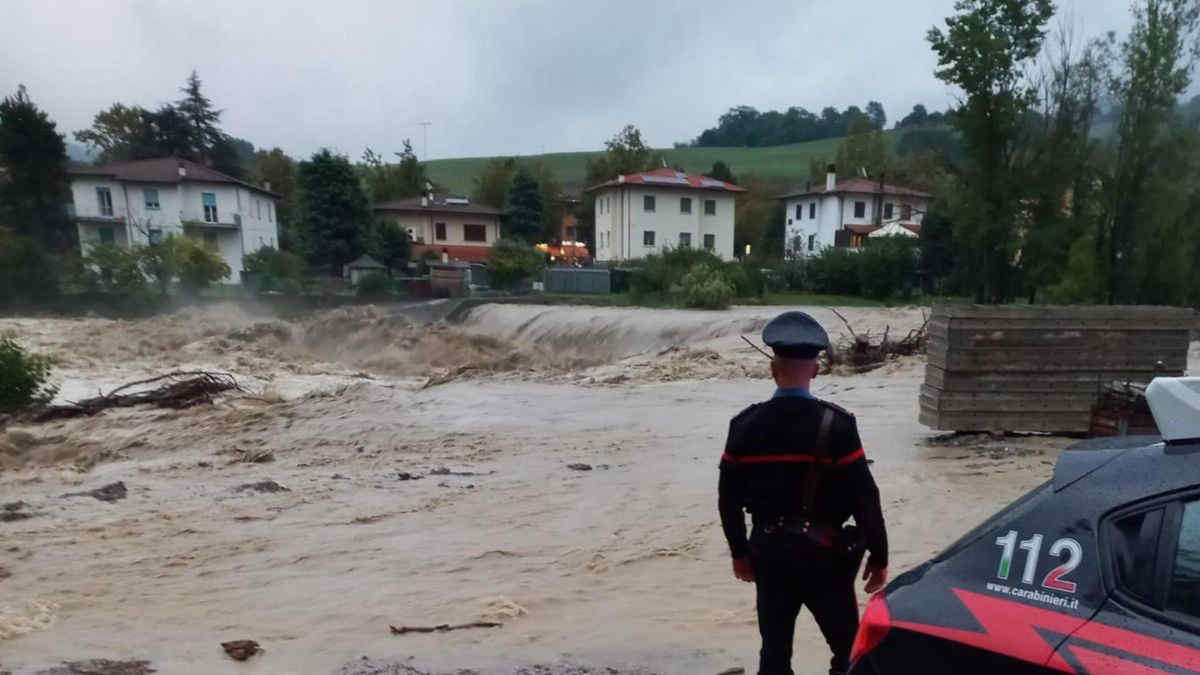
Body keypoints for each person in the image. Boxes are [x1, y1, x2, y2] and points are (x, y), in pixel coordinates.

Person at [718, 310, 889, 675]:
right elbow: (865, 497)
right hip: (824, 555)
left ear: (772, 368)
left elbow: (728, 499)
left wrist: (739, 552)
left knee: (775, 651)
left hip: (769, 552)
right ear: (814, 370)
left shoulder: (744, 426)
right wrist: (879, 556)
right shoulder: (837, 425)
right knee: (848, 650)